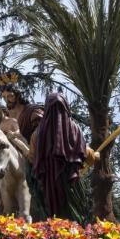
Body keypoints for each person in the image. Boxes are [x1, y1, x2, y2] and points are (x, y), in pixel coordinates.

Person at [29, 92, 98, 222]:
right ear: (66, 107)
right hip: (71, 183)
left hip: (48, 185)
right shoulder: (75, 129)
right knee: (75, 216)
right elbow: (85, 154)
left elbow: (32, 158)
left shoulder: (37, 133)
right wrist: (94, 155)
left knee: (51, 217)